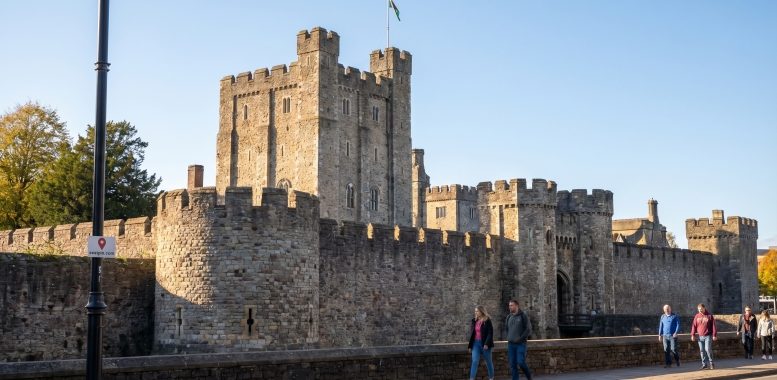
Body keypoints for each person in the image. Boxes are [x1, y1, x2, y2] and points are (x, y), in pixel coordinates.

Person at [504, 300, 532, 380]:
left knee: (521, 362)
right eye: (509, 305)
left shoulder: (523, 316)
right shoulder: (508, 317)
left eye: (511, 305)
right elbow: (506, 329)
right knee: (512, 364)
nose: (510, 307)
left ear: (517, 306)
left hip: (521, 344)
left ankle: (529, 376)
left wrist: (521, 338)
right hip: (511, 344)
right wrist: (508, 337)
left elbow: (528, 329)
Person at [468, 305, 495, 380]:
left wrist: (486, 344)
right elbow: (471, 334)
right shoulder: (474, 321)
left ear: (481, 312)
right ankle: (471, 378)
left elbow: (490, 333)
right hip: (475, 344)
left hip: (485, 344)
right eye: (475, 311)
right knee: (475, 361)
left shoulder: (487, 321)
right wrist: (470, 346)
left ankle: (491, 378)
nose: (475, 313)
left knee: (488, 362)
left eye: (477, 311)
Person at [691, 303, 718, 370]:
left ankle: (711, 362)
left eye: (701, 309)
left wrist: (714, 335)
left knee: (707, 349)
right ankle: (704, 364)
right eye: (699, 309)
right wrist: (692, 335)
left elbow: (714, 326)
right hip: (700, 336)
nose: (700, 311)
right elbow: (694, 326)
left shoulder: (709, 316)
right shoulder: (697, 316)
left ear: (704, 308)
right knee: (702, 350)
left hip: (708, 335)